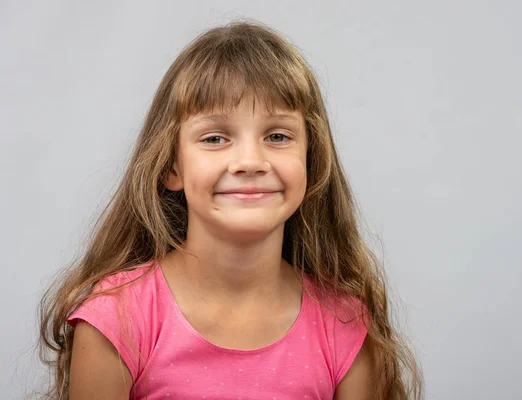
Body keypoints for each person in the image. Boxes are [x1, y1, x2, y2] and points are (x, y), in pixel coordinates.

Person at [38, 20, 422, 400]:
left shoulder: (345, 325)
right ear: (172, 166)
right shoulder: (116, 320)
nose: (250, 161)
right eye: (215, 138)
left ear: (311, 160)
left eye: (277, 136)